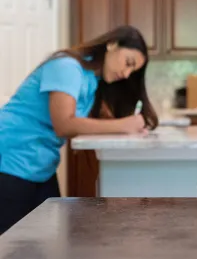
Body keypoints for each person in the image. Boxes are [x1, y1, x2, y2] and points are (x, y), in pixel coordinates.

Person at [0, 25, 158, 232]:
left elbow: (88, 120)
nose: (127, 74)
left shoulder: (91, 79)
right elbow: (64, 124)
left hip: (41, 165)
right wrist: (123, 125)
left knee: (48, 240)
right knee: (11, 248)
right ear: (112, 45)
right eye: (128, 63)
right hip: (11, 156)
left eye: (133, 71)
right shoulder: (66, 66)